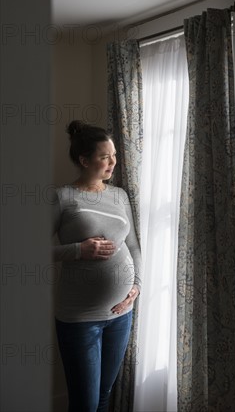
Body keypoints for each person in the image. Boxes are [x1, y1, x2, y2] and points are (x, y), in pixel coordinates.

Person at [52, 120, 142, 412]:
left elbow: (132, 246)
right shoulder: (62, 197)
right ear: (84, 160)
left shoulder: (119, 195)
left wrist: (137, 285)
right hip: (80, 317)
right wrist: (79, 250)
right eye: (105, 156)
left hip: (121, 313)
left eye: (114, 154)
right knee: (85, 403)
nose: (113, 162)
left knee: (104, 395)